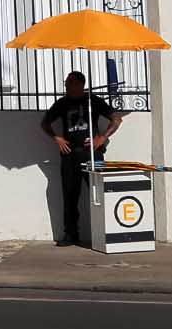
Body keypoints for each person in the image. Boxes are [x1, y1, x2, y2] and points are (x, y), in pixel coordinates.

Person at [40, 70, 121, 247]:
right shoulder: (62, 103)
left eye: (70, 82)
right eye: (66, 82)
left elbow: (116, 119)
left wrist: (102, 137)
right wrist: (57, 138)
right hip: (69, 154)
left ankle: (107, 231)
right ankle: (70, 233)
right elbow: (45, 123)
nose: (67, 85)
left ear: (80, 84)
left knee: (99, 191)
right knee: (69, 194)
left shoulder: (93, 101)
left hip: (92, 154)